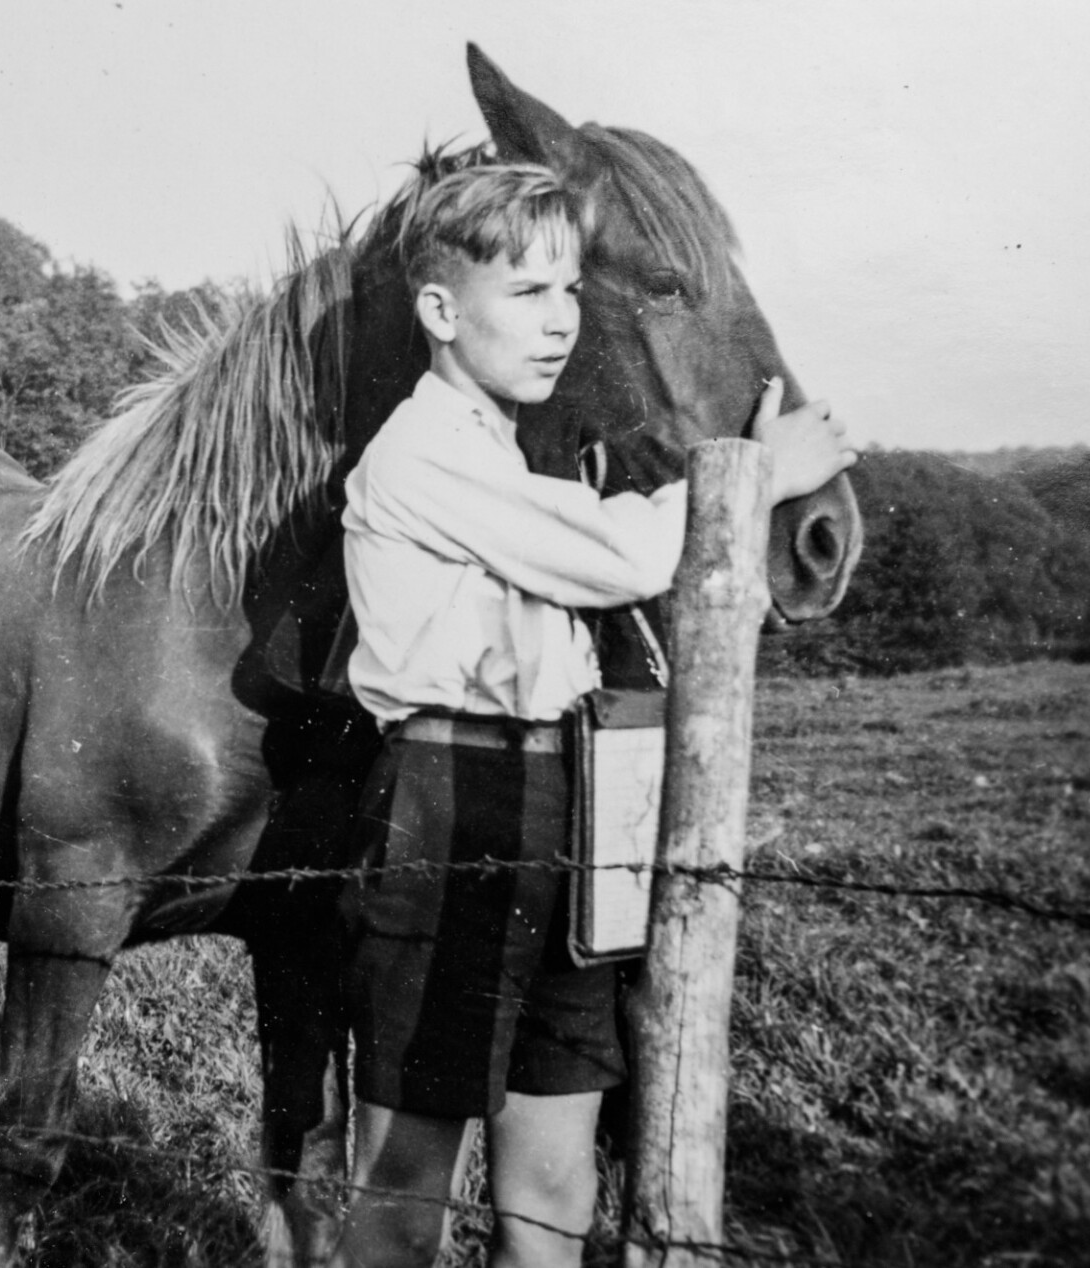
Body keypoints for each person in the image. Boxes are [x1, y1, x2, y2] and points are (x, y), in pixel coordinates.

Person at [328, 163, 855, 1268]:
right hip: (449, 805)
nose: (561, 321)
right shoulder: (419, 455)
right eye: (527, 294)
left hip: (564, 815)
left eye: (572, 291)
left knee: (555, 1172)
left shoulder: (517, 461)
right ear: (438, 311)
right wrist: (755, 471)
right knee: (406, 1171)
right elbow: (619, 552)